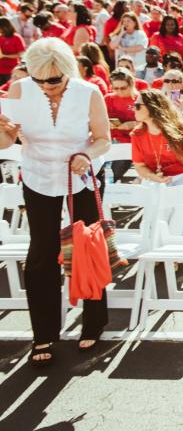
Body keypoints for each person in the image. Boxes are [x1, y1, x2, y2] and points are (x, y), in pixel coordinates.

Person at [0, 39, 111, 364]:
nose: (47, 87)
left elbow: (103, 139)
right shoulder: (20, 90)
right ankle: (44, 334)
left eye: (54, 80)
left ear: (67, 72)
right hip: (37, 177)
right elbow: (7, 142)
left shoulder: (88, 92)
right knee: (41, 254)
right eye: (40, 81)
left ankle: (93, 323)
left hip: (81, 177)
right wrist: (5, 129)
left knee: (87, 250)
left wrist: (85, 154)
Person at [105, 69, 139, 180]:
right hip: (111, 139)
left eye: (123, 88)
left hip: (131, 141)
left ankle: (111, 182)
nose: (119, 91)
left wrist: (134, 124)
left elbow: (151, 121)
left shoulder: (140, 99)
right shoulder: (108, 98)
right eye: (115, 88)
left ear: (131, 85)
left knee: (118, 162)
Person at [0, 17, 26, 86]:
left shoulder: (16, 37)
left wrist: (4, 55)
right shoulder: (0, 37)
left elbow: (21, 54)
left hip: (11, 70)